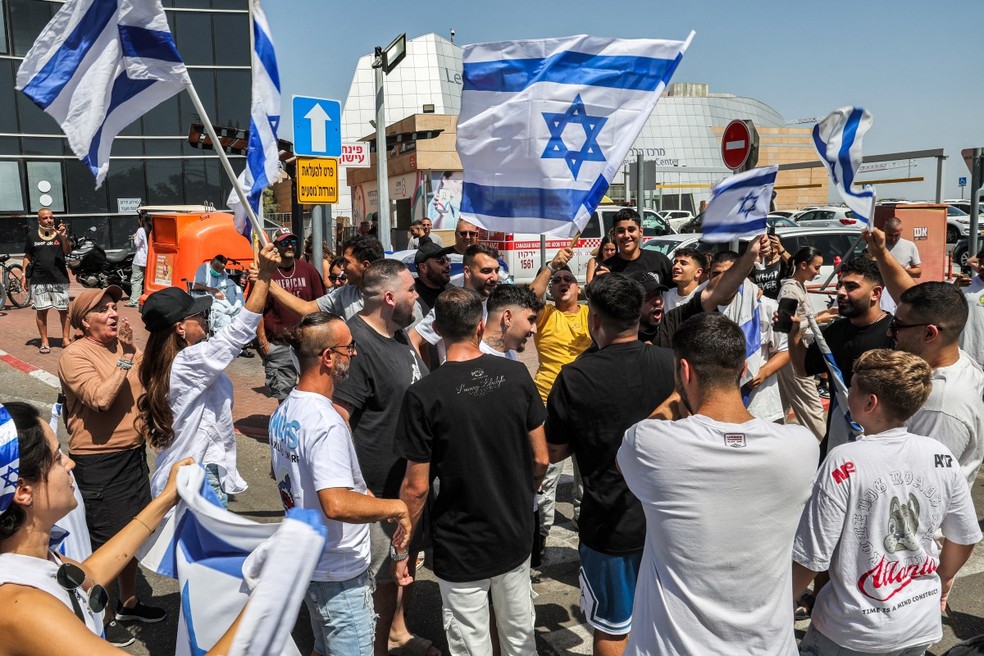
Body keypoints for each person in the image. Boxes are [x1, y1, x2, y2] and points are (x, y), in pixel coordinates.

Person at [617, 313, 819, 655]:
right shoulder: (801, 446)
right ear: (742, 370)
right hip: (767, 647)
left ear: (684, 371)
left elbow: (623, 461)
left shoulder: (650, 443)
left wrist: (676, 397)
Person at [0, 402, 240, 654]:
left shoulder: (29, 559)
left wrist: (167, 498)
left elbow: (92, 572)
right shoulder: (26, 608)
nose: (69, 463)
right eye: (57, 457)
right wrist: (263, 604)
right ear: (23, 491)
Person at [792, 349, 981, 656]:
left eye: (852, 387)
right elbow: (964, 537)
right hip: (918, 623)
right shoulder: (940, 455)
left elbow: (812, 557)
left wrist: (782, 601)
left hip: (851, 631)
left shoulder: (844, 460)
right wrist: (943, 579)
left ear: (870, 402)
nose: (847, 392)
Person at [393, 287, 548, 656]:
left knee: (470, 640)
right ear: (480, 327)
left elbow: (416, 487)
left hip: (460, 540)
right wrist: (519, 494)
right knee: (519, 635)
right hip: (513, 532)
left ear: (439, 332)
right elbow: (540, 458)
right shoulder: (516, 375)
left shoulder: (423, 394)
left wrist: (403, 549)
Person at [546, 273, 677, 656]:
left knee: (612, 629)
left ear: (593, 319)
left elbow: (552, 452)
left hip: (609, 526)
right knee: (665, 623)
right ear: (639, 315)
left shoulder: (574, 376)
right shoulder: (671, 364)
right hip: (670, 521)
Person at [270, 312, 411, 656]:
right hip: (339, 575)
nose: (355, 355)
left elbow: (288, 475)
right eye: (350, 349)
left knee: (322, 647)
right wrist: (397, 506)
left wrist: (372, 505)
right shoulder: (326, 422)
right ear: (328, 358)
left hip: (311, 562)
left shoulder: (285, 409)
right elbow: (335, 503)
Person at [330, 260, 433, 656]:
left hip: (405, 487)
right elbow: (337, 420)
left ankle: (397, 634)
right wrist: (360, 489)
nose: (417, 295)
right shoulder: (356, 344)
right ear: (389, 297)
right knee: (380, 581)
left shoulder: (399, 333)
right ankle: (377, 647)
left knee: (402, 570)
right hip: (377, 493)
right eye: (411, 290)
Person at [58, 286, 163, 645]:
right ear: (84, 322)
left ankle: (129, 602)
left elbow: (148, 388)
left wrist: (135, 352)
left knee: (133, 535)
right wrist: (125, 358)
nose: (114, 313)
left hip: (132, 456)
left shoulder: (125, 348)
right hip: (99, 462)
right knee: (104, 545)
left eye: (115, 306)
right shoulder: (75, 355)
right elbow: (101, 399)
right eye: (103, 310)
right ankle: (96, 620)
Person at [138, 244, 280, 507]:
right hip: (197, 472)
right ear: (180, 328)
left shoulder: (170, 359)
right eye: (199, 315)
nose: (205, 318)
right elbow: (239, 331)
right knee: (208, 547)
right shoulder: (189, 361)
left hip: (187, 468)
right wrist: (264, 277)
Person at [863, 227, 984, 487]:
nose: (890, 332)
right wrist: (882, 253)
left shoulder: (939, 404)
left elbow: (916, 484)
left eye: (897, 326)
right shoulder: (954, 359)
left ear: (930, 334)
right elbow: (909, 297)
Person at [787, 255, 894, 455]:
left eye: (851, 287)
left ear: (876, 293)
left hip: (883, 444)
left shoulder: (895, 334)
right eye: (839, 286)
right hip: (839, 438)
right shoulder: (836, 331)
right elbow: (802, 368)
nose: (841, 293)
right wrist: (793, 334)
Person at [529, 248, 592, 541]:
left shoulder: (592, 315)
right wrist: (551, 267)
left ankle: (585, 521)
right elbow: (530, 296)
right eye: (558, 281)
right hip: (548, 402)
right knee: (547, 470)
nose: (563, 282)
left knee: (586, 470)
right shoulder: (546, 315)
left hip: (586, 402)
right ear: (553, 290)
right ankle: (541, 532)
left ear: (578, 288)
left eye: (569, 279)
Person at [257, 228, 327, 401]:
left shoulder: (309, 271)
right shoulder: (267, 273)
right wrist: (263, 343)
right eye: (284, 242)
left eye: (293, 242)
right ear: (275, 247)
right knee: (284, 398)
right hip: (280, 344)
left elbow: (322, 306)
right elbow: (256, 310)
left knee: (311, 395)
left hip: (308, 343)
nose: (289, 245)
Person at [409, 243, 501, 367]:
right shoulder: (450, 305)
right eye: (486, 271)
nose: (495, 277)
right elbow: (413, 339)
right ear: (467, 272)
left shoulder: (500, 304)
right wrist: (425, 378)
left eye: (497, 270)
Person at [776, 246, 829, 441]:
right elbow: (785, 325)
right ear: (803, 265)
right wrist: (818, 320)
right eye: (816, 267)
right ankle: (825, 447)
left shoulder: (799, 286)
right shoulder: (790, 289)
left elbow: (798, 320)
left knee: (781, 406)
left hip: (792, 352)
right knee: (812, 406)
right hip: (792, 354)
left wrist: (819, 316)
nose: (818, 272)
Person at [268, 234, 384, 323]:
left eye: (347, 262)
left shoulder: (395, 292)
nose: (342, 268)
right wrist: (266, 280)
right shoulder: (344, 294)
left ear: (365, 265)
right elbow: (306, 309)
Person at [22, 208, 71, 353]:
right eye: (45, 218)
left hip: (59, 278)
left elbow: (67, 251)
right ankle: (44, 341)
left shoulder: (60, 235)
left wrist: (63, 237)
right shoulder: (32, 236)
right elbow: (27, 256)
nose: (49, 220)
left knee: (64, 311)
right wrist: (24, 275)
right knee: (42, 311)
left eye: (51, 217)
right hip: (39, 280)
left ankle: (66, 339)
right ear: (39, 220)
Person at [600, 208, 671, 284]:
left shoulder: (659, 261)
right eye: (621, 231)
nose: (626, 235)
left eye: (631, 230)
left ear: (640, 232)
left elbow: (678, 291)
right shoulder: (606, 268)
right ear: (614, 234)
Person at [480, 284, 542, 358]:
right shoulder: (474, 356)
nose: (534, 330)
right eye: (530, 319)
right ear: (508, 317)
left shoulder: (509, 353)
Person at [878, 216, 921, 313]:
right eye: (889, 235)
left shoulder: (910, 246)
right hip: (881, 291)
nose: (892, 239)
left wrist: (902, 271)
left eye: (896, 235)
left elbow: (918, 272)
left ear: (901, 230)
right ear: (884, 230)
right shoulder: (877, 246)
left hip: (903, 292)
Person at [956, 244, 984, 366]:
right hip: (969, 355)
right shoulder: (966, 285)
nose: (981, 266)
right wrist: (954, 287)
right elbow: (944, 305)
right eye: (981, 262)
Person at [413, 239, 452, 318]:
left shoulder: (453, 292)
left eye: (448, 260)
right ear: (423, 267)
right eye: (441, 261)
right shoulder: (412, 296)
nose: (448, 265)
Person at [749, 234, 792, 300]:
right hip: (762, 303)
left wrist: (781, 249)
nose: (772, 245)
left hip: (778, 302)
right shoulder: (758, 262)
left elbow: (794, 264)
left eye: (774, 242)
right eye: (769, 242)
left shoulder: (783, 261)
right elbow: (751, 284)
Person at [126, 216, 148, 307]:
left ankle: (134, 301)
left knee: (136, 280)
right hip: (149, 259)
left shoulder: (141, 230)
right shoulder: (152, 229)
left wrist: (135, 237)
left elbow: (137, 243)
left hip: (140, 259)